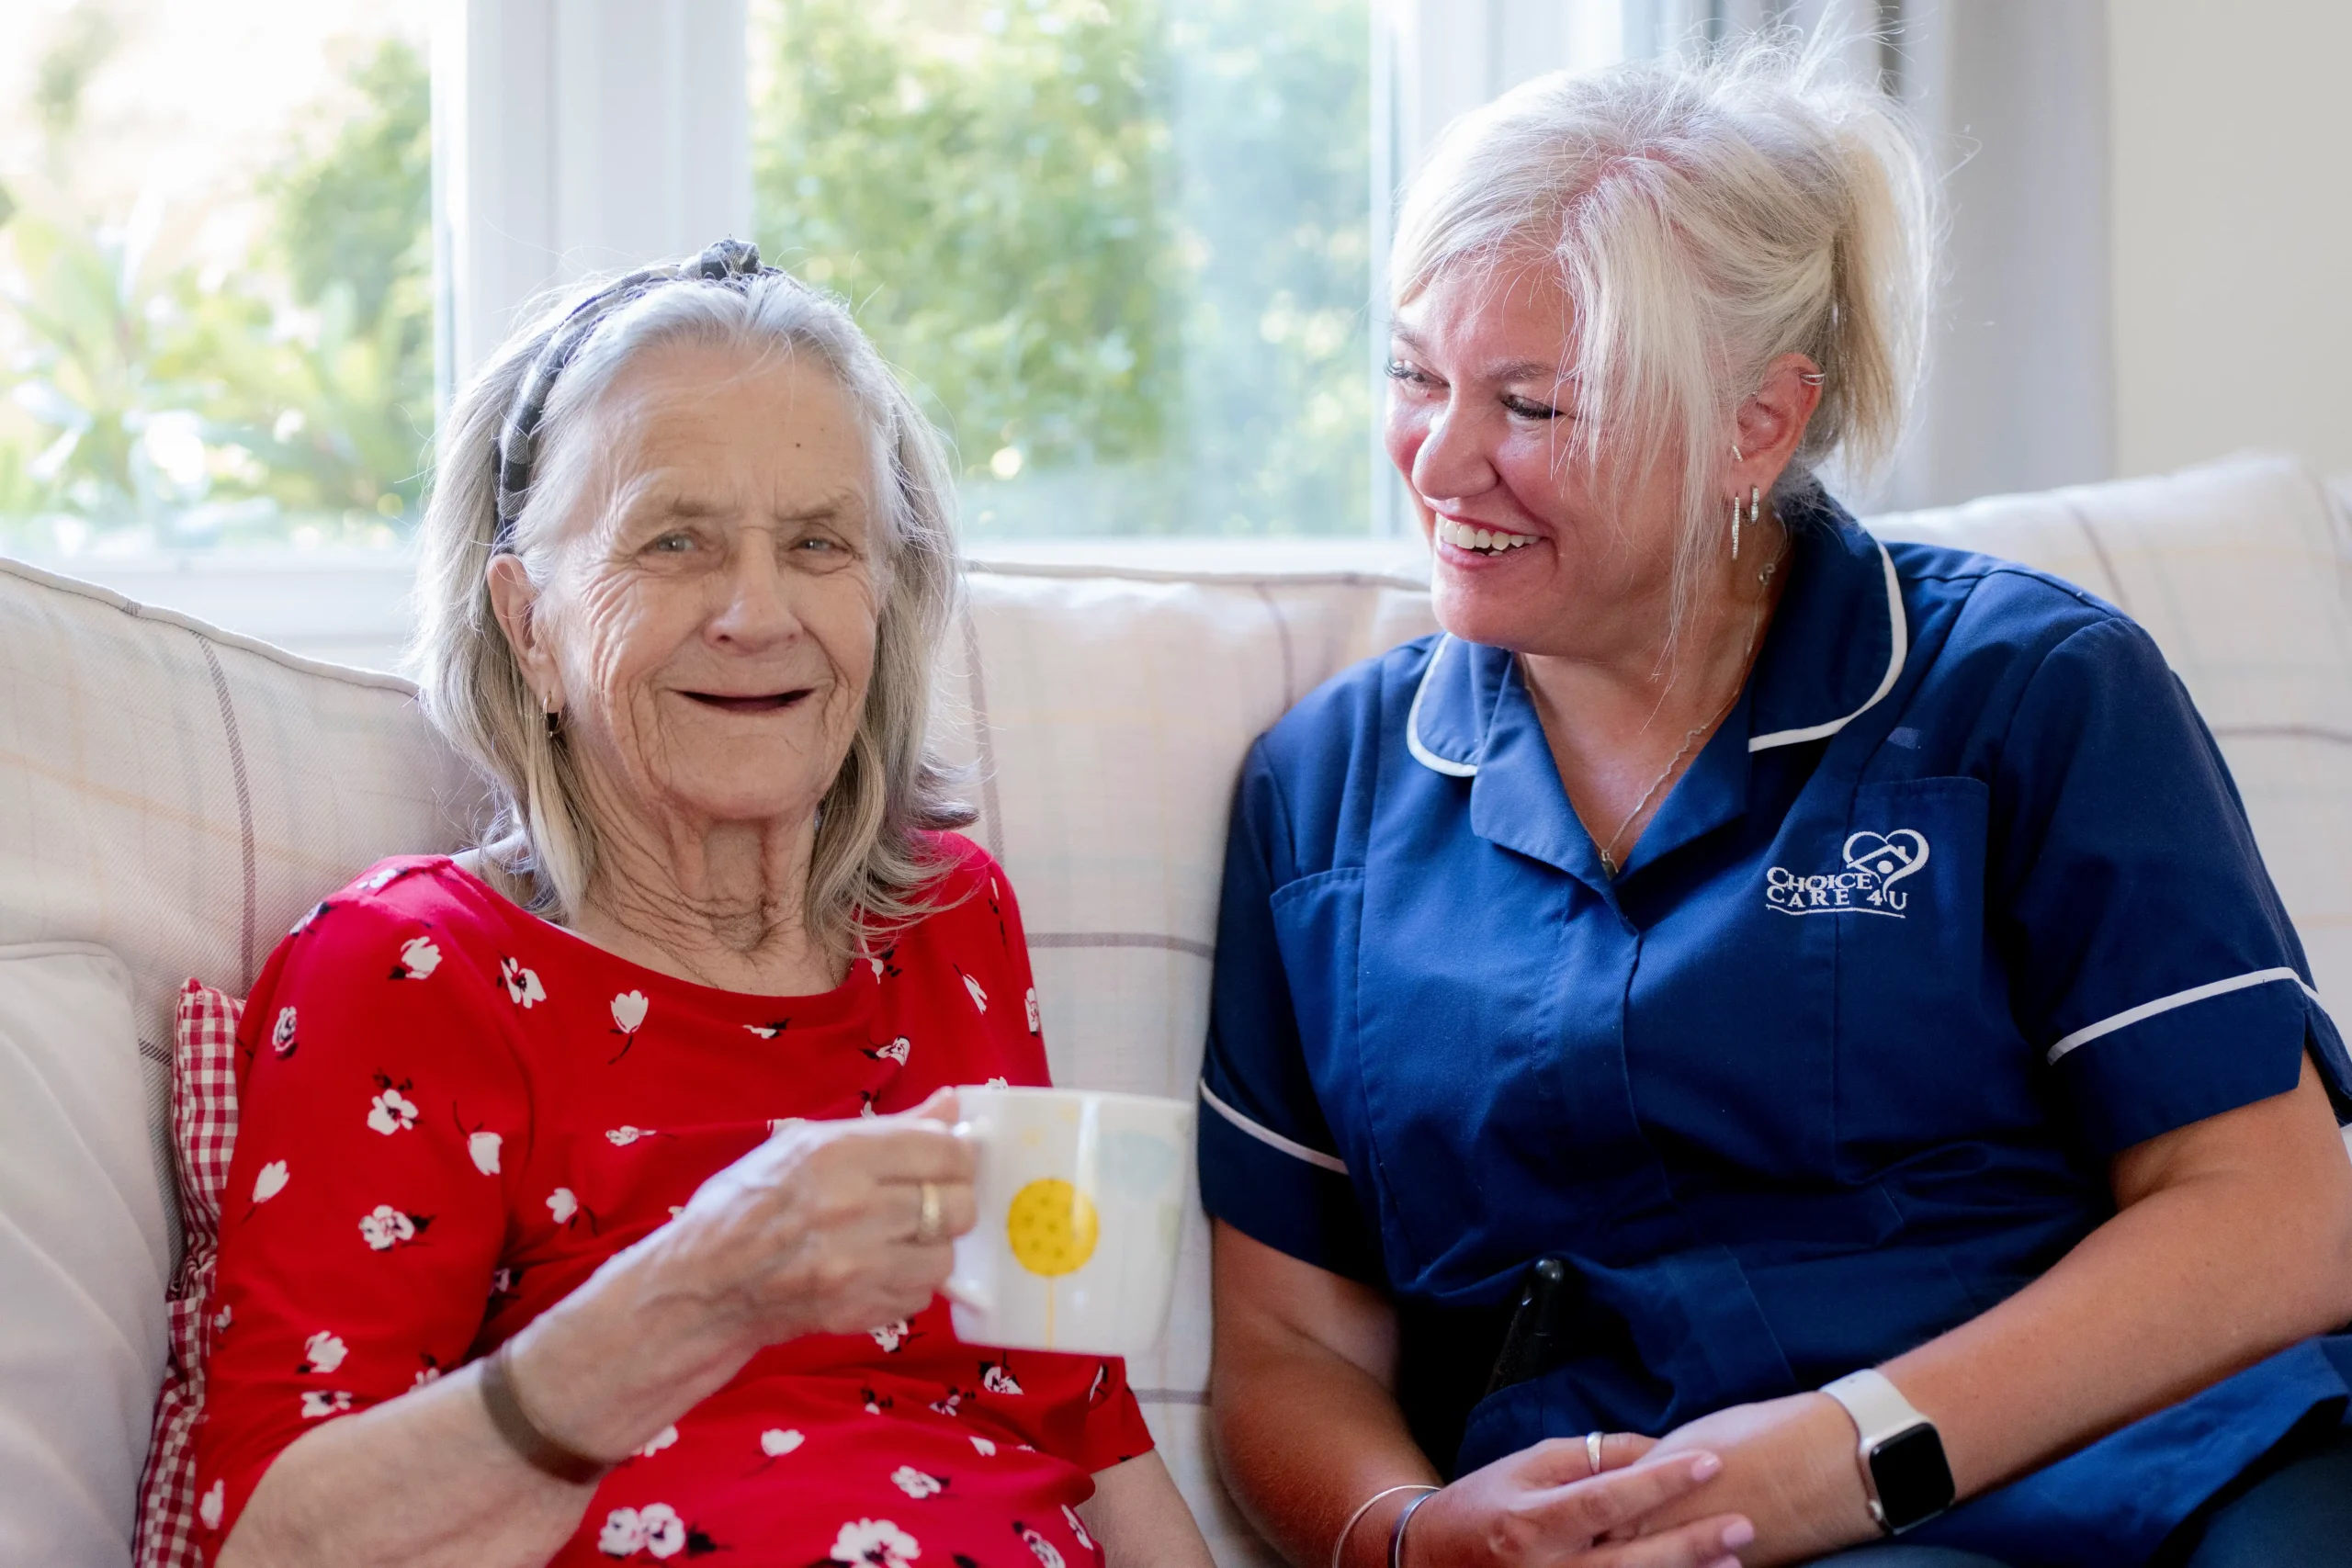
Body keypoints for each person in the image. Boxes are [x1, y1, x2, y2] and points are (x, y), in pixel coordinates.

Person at [1197, 39, 2352, 1568]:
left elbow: (2277, 1214)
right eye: (1416, 373)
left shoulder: (2030, 688)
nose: (1444, 459)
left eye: (1535, 405)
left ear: (1758, 425)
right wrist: (1408, 1533)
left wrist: (1855, 1446)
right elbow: (1291, 1342)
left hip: (2169, 1475)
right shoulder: (1325, 797)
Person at [196, 241, 1213, 1568]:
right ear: (530, 622)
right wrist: (696, 1296)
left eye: (818, 542)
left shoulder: (950, 925)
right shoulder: (412, 972)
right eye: (672, 541)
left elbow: (1084, 1424)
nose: (756, 610)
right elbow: (274, 1545)